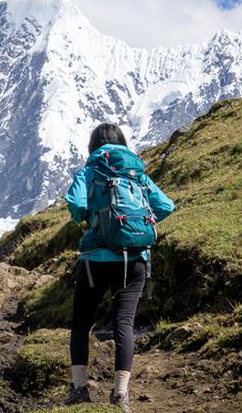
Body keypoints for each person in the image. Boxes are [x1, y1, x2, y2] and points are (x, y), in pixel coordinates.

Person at [63, 123, 175, 412]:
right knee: (123, 323)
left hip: (95, 260)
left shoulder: (90, 170)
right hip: (135, 259)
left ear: (92, 146)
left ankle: (79, 389)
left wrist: (96, 219)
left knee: (81, 322)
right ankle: (120, 395)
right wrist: (132, 226)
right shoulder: (136, 172)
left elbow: (75, 205)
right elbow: (165, 206)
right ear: (122, 143)